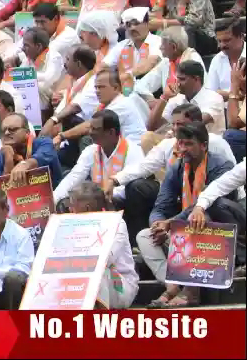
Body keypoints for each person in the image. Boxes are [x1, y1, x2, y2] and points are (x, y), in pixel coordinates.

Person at [138, 123, 237, 308]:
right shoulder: (176, 167)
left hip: (216, 235)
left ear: (204, 145)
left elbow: (208, 205)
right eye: (180, 143)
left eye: (189, 144)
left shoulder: (222, 166)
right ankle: (173, 285)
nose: (182, 149)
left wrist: (171, 223)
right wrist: (157, 225)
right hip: (182, 232)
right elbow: (160, 206)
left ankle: (190, 293)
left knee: (198, 219)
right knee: (144, 236)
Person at [54, 107, 146, 209]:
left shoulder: (132, 151)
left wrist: (98, 196)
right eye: (90, 128)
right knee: (65, 203)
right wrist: (53, 199)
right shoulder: (91, 151)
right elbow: (74, 177)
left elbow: (130, 189)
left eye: (95, 129)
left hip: (123, 204)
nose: (90, 132)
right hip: (96, 202)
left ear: (111, 132)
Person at [69, 182, 139, 309]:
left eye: (72, 204)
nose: (69, 209)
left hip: (120, 284)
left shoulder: (116, 223)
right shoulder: (69, 226)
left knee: (98, 269)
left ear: (87, 208)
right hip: (83, 281)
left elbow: (107, 259)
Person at [43, 47, 100, 166]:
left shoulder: (94, 83)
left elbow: (75, 107)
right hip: (64, 139)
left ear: (78, 64)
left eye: (68, 59)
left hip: (80, 138)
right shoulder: (77, 82)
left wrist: (53, 120)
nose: (64, 63)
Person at [145, 60, 225, 137]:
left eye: (182, 79)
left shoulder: (214, 98)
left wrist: (170, 131)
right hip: (178, 142)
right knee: (148, 137)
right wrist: (164, 97)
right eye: (177, 79)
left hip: (208, 145)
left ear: (196, 79)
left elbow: (196, 124)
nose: (177, 84)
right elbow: (152, 127)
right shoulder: (176, 98)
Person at [134, 26, 206, 103]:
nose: (160, 47)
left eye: (163, 44)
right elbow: (141, 86)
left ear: (174, 47)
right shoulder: (166, 62)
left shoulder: (193, 60)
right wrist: (153, 101)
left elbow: (193, 95)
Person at [0, 113, 63, 187]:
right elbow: (1, 189)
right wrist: (8, 160)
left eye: (13, 129)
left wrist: (25, 164)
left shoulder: (44, 143)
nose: (6, 133)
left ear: (27, 132)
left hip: (54, 195)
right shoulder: (3, 153)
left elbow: (41, 156)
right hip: (19, 198)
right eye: (3, 130)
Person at [12, 27, 63, 111]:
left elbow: (47, 80)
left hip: (50, 102)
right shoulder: (29, 57)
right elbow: (19, 78)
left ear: (38, 46)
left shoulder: (54, 57)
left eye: (26, 45)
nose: (23, 48)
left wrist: (26, 76)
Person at [115, 7, 163, 90]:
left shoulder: (157, 41)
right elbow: (107, 65)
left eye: (136, 23)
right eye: (128, 25)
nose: (132, 28)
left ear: (147, 24)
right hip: (126, 92)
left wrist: (127, 75)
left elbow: (151, 62)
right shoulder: (123, 45)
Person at [207, 18, 246, 100]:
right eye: (219, 41)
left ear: (241, 36)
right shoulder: (217, 60)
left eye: (227, 40)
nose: (221, 45)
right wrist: (234, 94)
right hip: (223, 109)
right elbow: (210, 92)